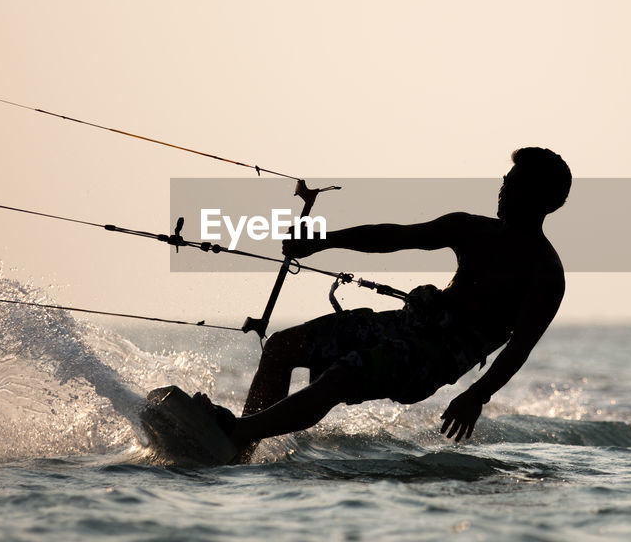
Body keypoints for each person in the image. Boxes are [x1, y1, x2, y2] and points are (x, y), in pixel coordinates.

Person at [199, 147, 569, 458]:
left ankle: (238, 431)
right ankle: (236, 453)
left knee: (344, 373)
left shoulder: (545, 274)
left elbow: (519, 348)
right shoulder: (472, 228)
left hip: (432, 359)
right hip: (404, 325)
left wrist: (477, 395)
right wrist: (322, 241)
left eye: (515, 184)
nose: (503, 189)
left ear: (541, 199)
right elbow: (394, 237)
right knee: (281, 347)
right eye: (505, 180)